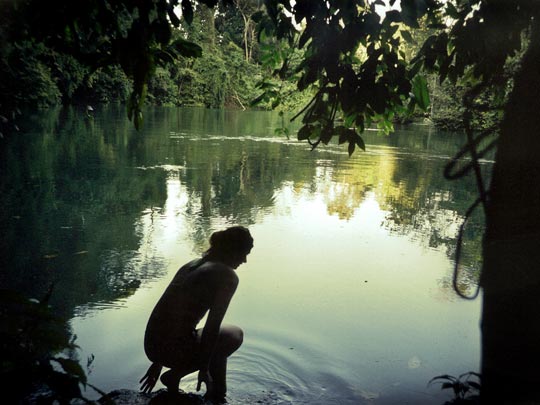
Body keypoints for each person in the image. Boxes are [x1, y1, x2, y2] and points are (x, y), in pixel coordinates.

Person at [139, 226, 253, 401]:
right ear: (231, 250)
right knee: (233, 335)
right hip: (172, 350)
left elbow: (168, 313)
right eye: (243, 253)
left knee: (218, 336)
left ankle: (214, 390)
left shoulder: (192, 265)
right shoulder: (227, 276)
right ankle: (186, 380)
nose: (245, 260)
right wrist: (203, 368)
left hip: (153, 346)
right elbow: (212, 326)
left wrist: (157, 362)